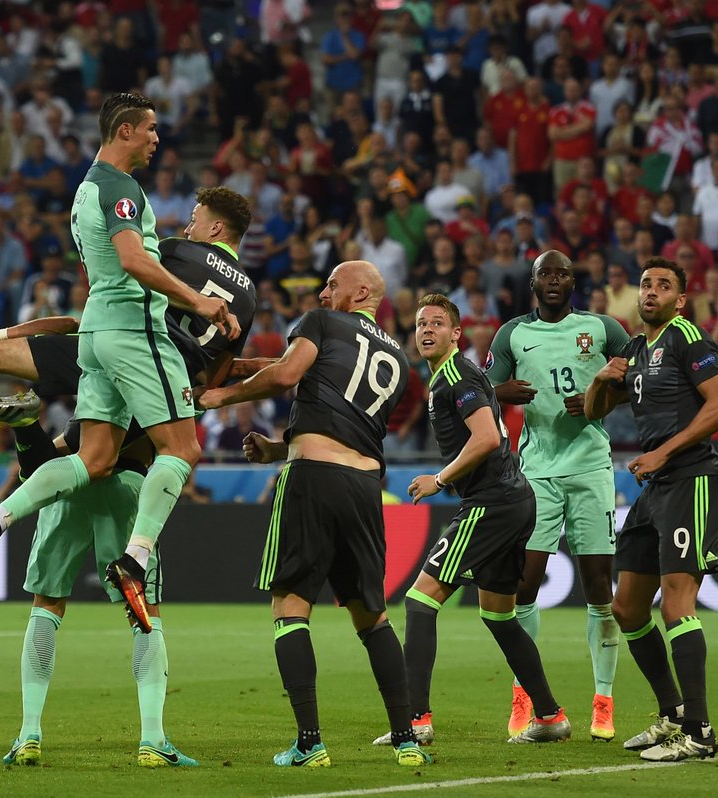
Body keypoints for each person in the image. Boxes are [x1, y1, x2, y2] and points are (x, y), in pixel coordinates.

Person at [0, 93, 239, 633]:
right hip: (133, 330)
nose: (157, 138)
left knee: (94, 458)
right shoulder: (119, 187)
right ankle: (135, 558)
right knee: (182, 448)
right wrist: (198, 301)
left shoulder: (87, 188)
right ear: (125, 131)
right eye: (150, 128)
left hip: (96, 331)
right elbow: (132, 259)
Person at [196, 260, 429, 768]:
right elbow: (344, 422)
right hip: (364, 487)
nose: (323, 293)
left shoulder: (322, 322)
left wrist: (220, 396)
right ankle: (407, 740)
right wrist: (280, 448)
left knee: (290, 605)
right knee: (372, 617)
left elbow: (287, 374)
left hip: (313, 482)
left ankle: (309, 742)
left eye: (332, 284)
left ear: (361, 292)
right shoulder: (398, 359)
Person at [383, 293, 571, 747]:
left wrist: (440, 479)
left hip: (492, 502)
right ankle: (550, 716)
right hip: (513, 500)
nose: (426, 330)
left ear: (456, 333)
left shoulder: (458, 375)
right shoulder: (451, 377)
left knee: (419, 600)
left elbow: (486, 437)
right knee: (499, 616)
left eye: (436, 323)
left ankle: (415, 721)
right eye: (420, 324)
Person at [585, 257, 718, 762]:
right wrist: (601, 380)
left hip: (692, 479)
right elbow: (593, 411)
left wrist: (664, 452)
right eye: (646, 283)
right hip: (655, 488)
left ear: (680, 300)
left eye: (663, 285)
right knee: (627, 608)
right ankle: (672, 713)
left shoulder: (687, 338)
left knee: (676, 603)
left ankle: (699, 731)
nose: (651, 291)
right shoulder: (634, 349)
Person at [485, 250, 631, 741]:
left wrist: (598, 398)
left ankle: (603, 702)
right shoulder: (512, 334)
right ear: (532, 282)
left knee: (599, 590)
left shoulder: (602, 328)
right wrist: (501, 393)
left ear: (573, 281)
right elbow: (479, 390)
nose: (553, 279)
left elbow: (637, 378)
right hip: (537, 474)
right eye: (545, 273)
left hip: (590, 469)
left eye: (562, 273)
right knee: (524, 587)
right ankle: (524, 695)